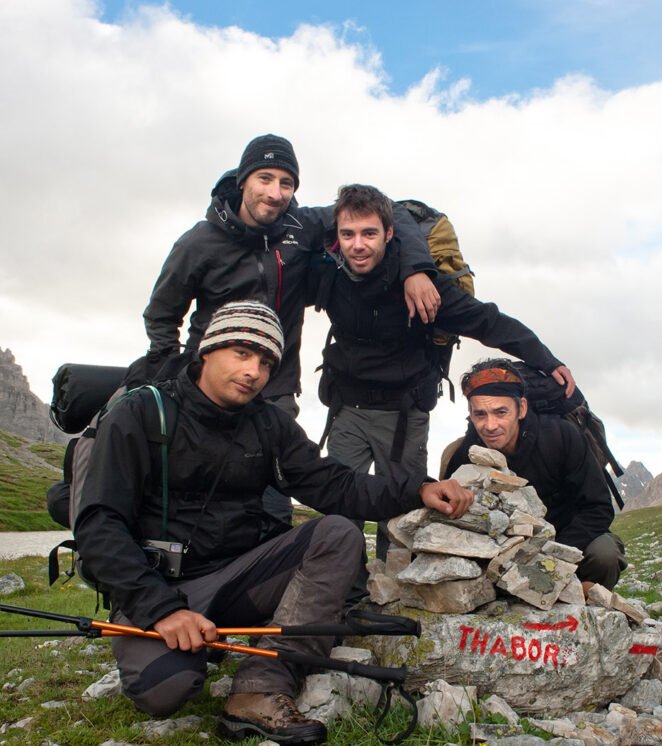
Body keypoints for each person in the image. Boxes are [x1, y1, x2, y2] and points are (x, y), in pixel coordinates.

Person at [76, 301, 473, 746]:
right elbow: (99, 525)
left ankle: (261, 686)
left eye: (266, 362)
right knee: (164, 692)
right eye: (242, 353)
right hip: (159, 585)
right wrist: (161, 609)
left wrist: (415, 488)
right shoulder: (140, 412)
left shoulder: (269, 423)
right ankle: (186, 640)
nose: (254, 372)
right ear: (207, 350)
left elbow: (333, 485)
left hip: (240, 579)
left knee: (339, 532)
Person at [141, 135, 441, 526]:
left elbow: (391, 213)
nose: (275, 192)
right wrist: (178, 377)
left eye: (287, 183)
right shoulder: (199, 243)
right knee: (201, 492)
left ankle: (268, 575)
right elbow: (161, 316)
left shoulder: (304, 226)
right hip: (206, 392)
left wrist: (417, 268)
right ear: (243, 180)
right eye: (265, 178)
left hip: (274, 391)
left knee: (272, 500)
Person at [313, 183, 576, 559]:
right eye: (349, 234)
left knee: (401, 514)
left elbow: (489, 322)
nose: (358, 245)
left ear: (389, 234)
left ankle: (393, 598)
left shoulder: (424, 289)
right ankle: (342, 596)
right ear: (336, 237)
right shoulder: (327, 273)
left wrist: (548, 361)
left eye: (369, 233)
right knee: (341, 506)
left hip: (404, 414)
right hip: (347, 410)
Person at [443, 359, 627, 591]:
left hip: (568, 540)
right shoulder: (464, 455)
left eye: (501, 412)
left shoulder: (561, 436)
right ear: (470, 413)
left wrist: (548, 553)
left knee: (605, 554)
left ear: (522, 408)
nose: (490, 425)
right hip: (503, 553)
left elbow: (598, 508)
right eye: (480, 414)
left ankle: (587, 608)